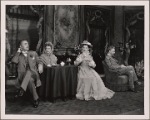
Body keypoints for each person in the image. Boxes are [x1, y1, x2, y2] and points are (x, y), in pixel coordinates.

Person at [12, 40, 41, 108]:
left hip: (33, 74)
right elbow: (14, 61)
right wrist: (18, 52)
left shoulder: (33, 53)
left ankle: (21, 89)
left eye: (27, 43)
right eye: (25, 44)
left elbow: (39, 61)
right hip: (23, 76)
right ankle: (36, 98)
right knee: (30, 80)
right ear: (21, 46)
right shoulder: (18, 55)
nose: (27, 45)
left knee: (29, 72)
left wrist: (40, 65)